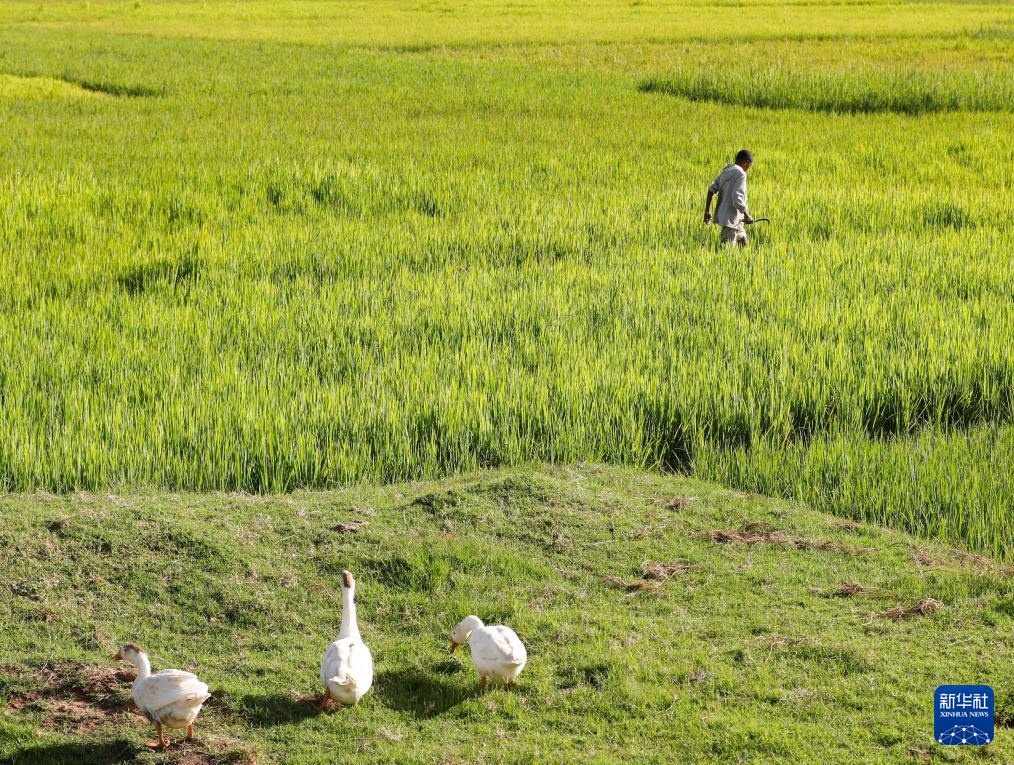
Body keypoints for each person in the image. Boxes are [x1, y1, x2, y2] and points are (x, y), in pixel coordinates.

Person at [704, 149, 754, 247]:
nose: (748, 168)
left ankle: (747, 261)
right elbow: (737, 198)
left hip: (736, 219)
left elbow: (711, 189)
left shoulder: (726, 170)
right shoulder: (741, 174)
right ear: (746, 163)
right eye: (750, 165)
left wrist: (707, 211)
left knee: (744, 240)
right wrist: (747, 214)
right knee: (727, 250)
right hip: (731, 219)